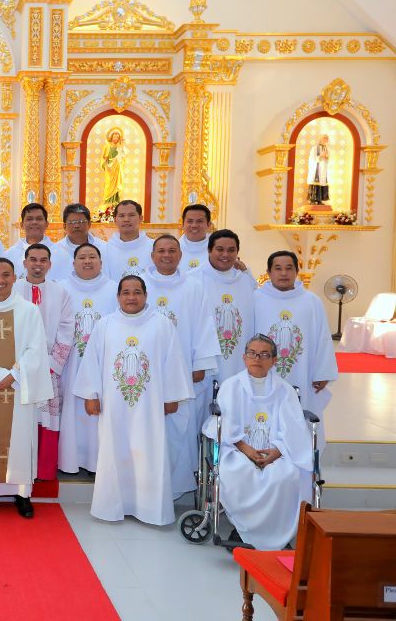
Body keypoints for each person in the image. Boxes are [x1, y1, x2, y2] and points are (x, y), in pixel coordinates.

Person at [73, 275, 192, 525]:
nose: (131, 297)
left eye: (137, 292)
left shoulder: (162, 325)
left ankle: (149, 508)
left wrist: (172, 396)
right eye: (126, 292)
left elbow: (173, 360)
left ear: (146, 295)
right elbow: (92, 360)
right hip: (113, 403)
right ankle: (111, 506)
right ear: (118, 297)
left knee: (148, 452)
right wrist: (91, 394)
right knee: (114, 451)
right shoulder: (105, 325)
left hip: (150, 405)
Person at [0, 258, 53, 517]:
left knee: (20, 439)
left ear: (16, 277)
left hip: (18, 386)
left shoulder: (28, 311)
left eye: (6, 275)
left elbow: (36, 349)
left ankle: (21, 494)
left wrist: (14, 374)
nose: (1, 280)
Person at [213, 334, 313, 550]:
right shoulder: (231, 386)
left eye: (264, 354)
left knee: (286, 476)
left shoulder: (284, 390)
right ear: (244, 357)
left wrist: (277, 452)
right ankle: (242, 531)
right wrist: (246, 449)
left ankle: (278, 535)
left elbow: (293, 428)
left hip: (277, 452)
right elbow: (226, 427)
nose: (257, 359)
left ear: (274, 361)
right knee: (239, 473)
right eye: (252, 353)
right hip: (238, 450)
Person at [143, 235, 221, 498]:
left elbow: (204, 324)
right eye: (161, 251)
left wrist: (200, 363)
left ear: (180, 255)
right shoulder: (140, 284)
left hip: (185, 370)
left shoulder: (194, 286)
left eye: (172, 251)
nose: (167, 255)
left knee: (181, 430)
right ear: (152, 255)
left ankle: (177, 487)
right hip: (146, 373)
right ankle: (146, 488)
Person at [254, 251, 337, 446]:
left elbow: (323, 337)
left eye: (289, 268)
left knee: (301, 415)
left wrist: (323, 372)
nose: (284, 273)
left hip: (302, 373)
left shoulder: (311, 301)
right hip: (265, 373)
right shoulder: (255, 298)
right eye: (278, 268)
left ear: (297, 271)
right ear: (268, 272)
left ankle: (303, 462)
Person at [12, 244, 74, 480]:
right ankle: (19, 470)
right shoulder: (13, 289)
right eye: (33, 259)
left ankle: (43, 471)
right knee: (21, 418)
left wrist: (51, 364)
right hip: (18, 367)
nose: (38, 265)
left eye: (43, 260)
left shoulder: (60, 293)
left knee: (45, 419)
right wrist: (18, 363)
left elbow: (67, 328)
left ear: (49, 264)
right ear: (25, 262)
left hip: (49, 366)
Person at [58, 244, 118, 474]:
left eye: (92, 256)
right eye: (81, 257)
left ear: (101, 262)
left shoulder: (113, 289)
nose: (87, 261)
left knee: (100, 411)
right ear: (73, 263)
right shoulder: (62, 288)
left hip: (104, 362)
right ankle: (69, 460)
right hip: (70, 361)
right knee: (71, 411)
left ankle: (99, 462)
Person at [191, 230, 257, 385]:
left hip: (238, 356)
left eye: (231, 250)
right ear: (209, 250)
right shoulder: (193, 279)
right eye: (220, 249)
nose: (225, 255)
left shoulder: (246, 280)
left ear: (237, 253)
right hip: (204, 359)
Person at [4, 203, 68, 281]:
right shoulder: (9, 255)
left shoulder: (60, 254)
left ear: (47, 224)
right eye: (29, 219)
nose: (34, 222)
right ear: (22, 225)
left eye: (39, 219)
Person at [103, 200, 153, 281]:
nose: (126, 219)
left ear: (141, 218)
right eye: (121, 216)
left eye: (131, 215)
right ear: (115, 220)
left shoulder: (154, 247)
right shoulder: (105, 249)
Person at [100, 128, 124, 207]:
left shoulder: (120, 147)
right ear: (111, 137)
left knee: (117, 185)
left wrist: (122, 146)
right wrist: (106, 166)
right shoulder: (107, 146)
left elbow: (123, 157)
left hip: (117, 168)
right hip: (109, 168)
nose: (116, 138)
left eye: (117, 137)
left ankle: (115, 203)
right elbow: (104, 158)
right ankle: (107, 203)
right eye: (114, 136)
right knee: (109, 185)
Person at [307, 134, 330, 204]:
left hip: (323, 168)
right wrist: (320, 156)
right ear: (320, 138)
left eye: (327, 138)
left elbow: (328, 159)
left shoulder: (327, 148)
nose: (326, 140)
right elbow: (312, 158)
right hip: (316, 168)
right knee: (315, 182)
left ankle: (320, 200)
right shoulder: (315, 148)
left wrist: (326, 157)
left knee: (322, 182)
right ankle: (313, 199)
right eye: (324, 138)